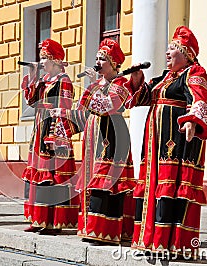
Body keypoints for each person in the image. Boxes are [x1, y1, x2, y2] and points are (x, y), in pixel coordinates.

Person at [129, 26, 207, 255]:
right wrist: (137, 79)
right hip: (154, 142)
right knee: (151, 186)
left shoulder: (195, 73)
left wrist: (192, 120)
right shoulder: (165, 77)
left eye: (172, 49)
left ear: (187, 54)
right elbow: (142, 97)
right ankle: (150, 240)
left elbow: (200, 98)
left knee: (170, 187)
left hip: (176, 141)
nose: (167, 54)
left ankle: (169, 242)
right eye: (167, 49)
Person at [70, 38, 136, 245]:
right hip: (94, 136)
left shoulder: (121, 83)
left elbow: (108, 106)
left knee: (108, 181)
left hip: (112, 135)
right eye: (97, 58)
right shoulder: (98, 84)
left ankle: (107, 231)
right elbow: (84, 108)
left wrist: (91, 87)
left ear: (114, 64)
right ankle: (91, 227)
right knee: (93, 178)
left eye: (102, 59)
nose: (97, 62)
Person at [21, 39, 79, 235]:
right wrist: (32, 77)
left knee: (52, 176)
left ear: (55, 60)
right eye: (41, 58)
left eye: (45, 58)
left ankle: (54, 221)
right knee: (38, 173)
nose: (41, 62)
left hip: (52, 129)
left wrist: (57, 136)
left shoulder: (64, 80)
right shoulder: (43, 80)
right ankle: (37, 218)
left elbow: (64, 109)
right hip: (39, 127)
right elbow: (31, 101)